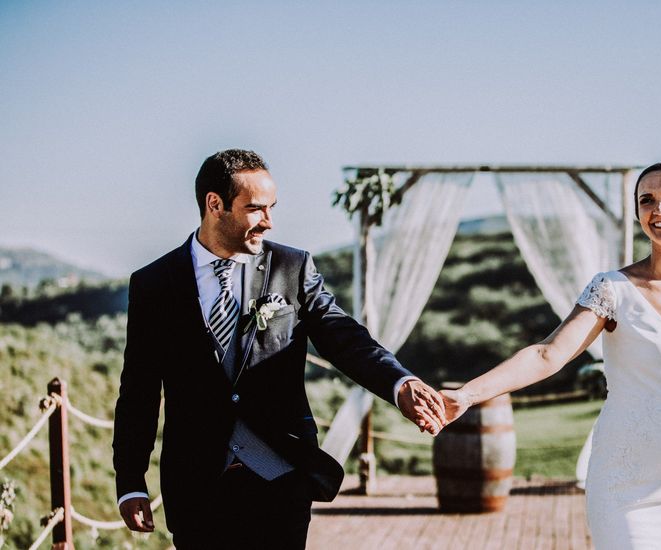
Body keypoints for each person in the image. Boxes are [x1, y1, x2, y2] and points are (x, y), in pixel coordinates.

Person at [113, 149, 446, 549]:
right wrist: (130, 483)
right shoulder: (154, 285)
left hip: (282, 476)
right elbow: (139, 391)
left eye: (272, 208)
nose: (269, 222)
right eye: (256, 209)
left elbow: (344, 337)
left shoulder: (293, 267)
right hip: (197, 482)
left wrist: (398, 382)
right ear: (214, 204)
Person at [440, 161, 661, 550]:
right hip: (626, 489)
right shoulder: (613, 290)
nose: (658, 209)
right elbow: (547, 354)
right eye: (646, 201)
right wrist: (468, 395)